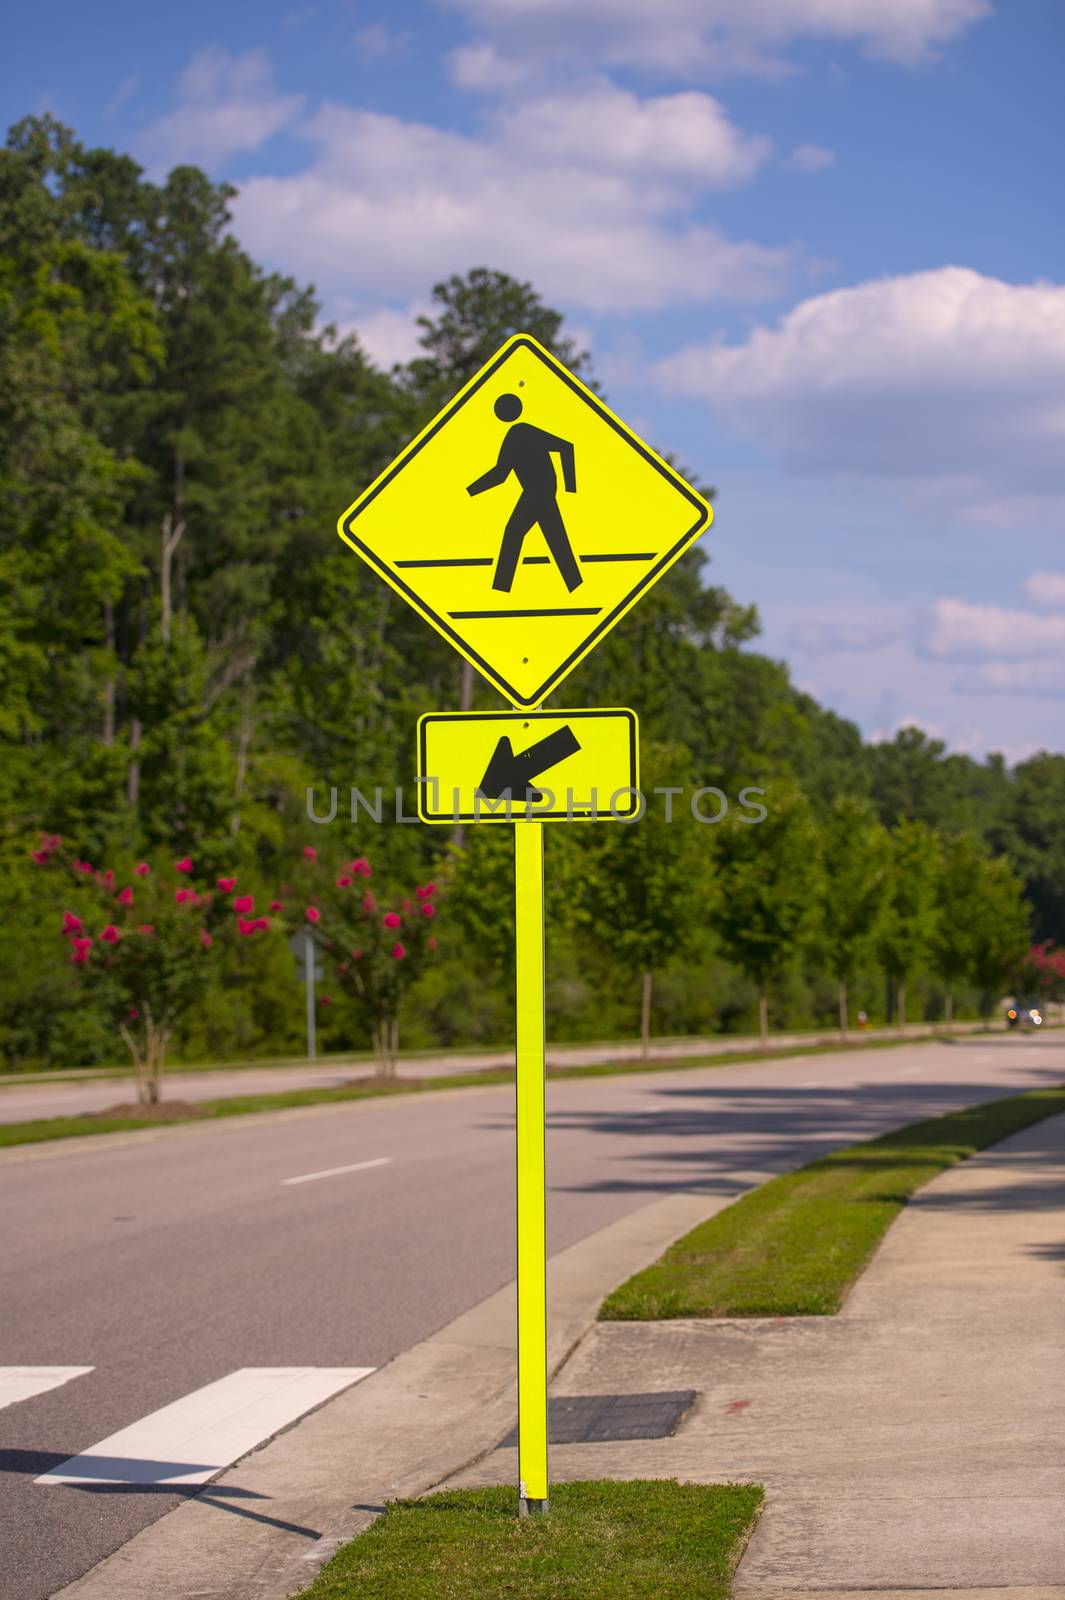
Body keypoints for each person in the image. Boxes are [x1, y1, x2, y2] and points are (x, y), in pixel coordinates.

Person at [467, 393, 582, 593]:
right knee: (556, 538)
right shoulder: (516, 434)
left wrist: (570, 487)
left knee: (514, 532)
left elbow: (566, 447)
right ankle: (575, 585)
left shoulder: (521, 432)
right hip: (538, 492)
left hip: (539, 492)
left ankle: (501, 588)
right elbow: (500, 474)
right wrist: (471, 491)